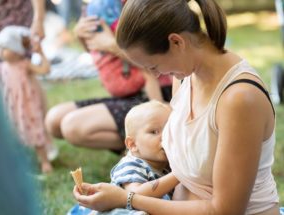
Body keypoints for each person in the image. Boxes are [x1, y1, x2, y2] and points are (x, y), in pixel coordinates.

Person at [73, 0, 280, 214]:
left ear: (176, 42)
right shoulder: (183, 77)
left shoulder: (239, 99)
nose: (155, 75)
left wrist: (128, 199)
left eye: (153, 66)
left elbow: (224, 210)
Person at [45, 0, 172, 153]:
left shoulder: (141, 6)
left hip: (155, 92)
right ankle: (137, 142)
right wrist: (82, 36)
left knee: (71, 126)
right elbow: (99, 54)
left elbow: (154, 64)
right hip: (126, 96)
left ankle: (144, 147)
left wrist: (111, 44)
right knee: (54, 119)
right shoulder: (100, 7)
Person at [69, 101, 178, 215]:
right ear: (132, 144)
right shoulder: (131, 164)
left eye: (169, 130)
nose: (165, 136)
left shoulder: (167, 166)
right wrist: (178, 175)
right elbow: (136, 194)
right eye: (154, 132)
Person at [0, 25, 54, 173]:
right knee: (15, 133)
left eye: (5, 48)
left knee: (35, 129)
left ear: (17, 50)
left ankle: (44, 160)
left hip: (29, 104)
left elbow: (45, 70)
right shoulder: (3, 66)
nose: (1, 52)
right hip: (12, 106)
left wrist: (41, 53)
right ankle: (22, 162)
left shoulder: (24, 65)